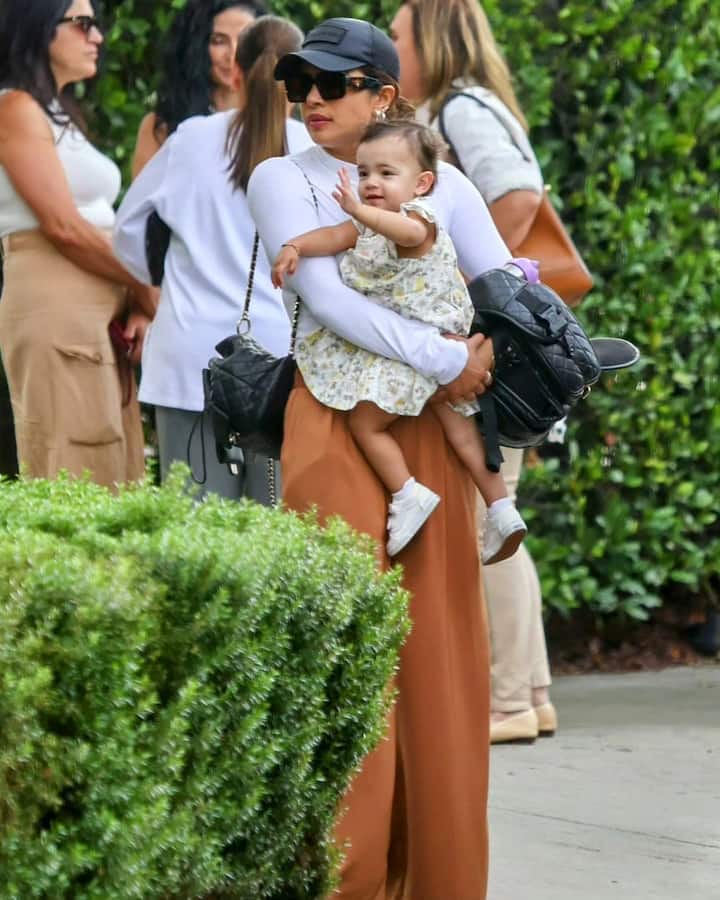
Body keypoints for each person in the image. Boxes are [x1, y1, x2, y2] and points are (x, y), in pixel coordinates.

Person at [248, 17, 525, 898]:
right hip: (336, 422)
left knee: (442, 671)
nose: (312, 101)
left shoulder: (438, 180)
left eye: (333, 84)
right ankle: (345, 885)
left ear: (385, 94)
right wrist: (453, 356)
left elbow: (498, 275)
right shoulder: (281, 176)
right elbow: (325, 301)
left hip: (433, 433)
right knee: (347, 668)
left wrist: (506, 335)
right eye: (299, 86)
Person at [389, 0, 557, 743]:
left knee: (492, 515)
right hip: (488, 335)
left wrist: (474, 292)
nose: (392, 50)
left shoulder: (460, 108)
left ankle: (509, 700)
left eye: (397, 35)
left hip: (486, 339)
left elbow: (519, 196)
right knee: (500, 505)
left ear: (430, 36)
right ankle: (533, 691)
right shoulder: (459, 105)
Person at [272, 119, 528, 561]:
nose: (371, 183)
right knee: (461, 429)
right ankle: (501, 509)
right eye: (364, 172)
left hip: (430, 349)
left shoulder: (419, 219)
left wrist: (357, 209)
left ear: (422, 183)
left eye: (386, 174)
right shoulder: (369, 225)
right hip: (433, 351)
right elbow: (334, 237)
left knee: (366, 425)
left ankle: (408, 493)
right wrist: (295, 245)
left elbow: (403, 234)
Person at [113, 15, 311, 503]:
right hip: (283, 366)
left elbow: (127, 230)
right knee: (278, 538)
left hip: (190, 359)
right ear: (304, 82)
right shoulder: (317, 151)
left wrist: (152, 283)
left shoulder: (190, 139)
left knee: (197, 538)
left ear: (237, 74)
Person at [0, 0, 154, 489]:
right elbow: (63, 227)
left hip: (100, 311)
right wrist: (145, 284)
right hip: (57, 304)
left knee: (116, 467)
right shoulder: (13, 107)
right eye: (83, 23)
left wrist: (137, 304)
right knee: (71, 470)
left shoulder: (59, 112)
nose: (98, 38)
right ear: (41, 29)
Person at [131, 0, 267, 178]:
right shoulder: (160, 127)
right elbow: (144, 203)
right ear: (196, 48)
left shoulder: (279, 122)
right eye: (219, 41)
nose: (233, 54)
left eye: (245, 40)